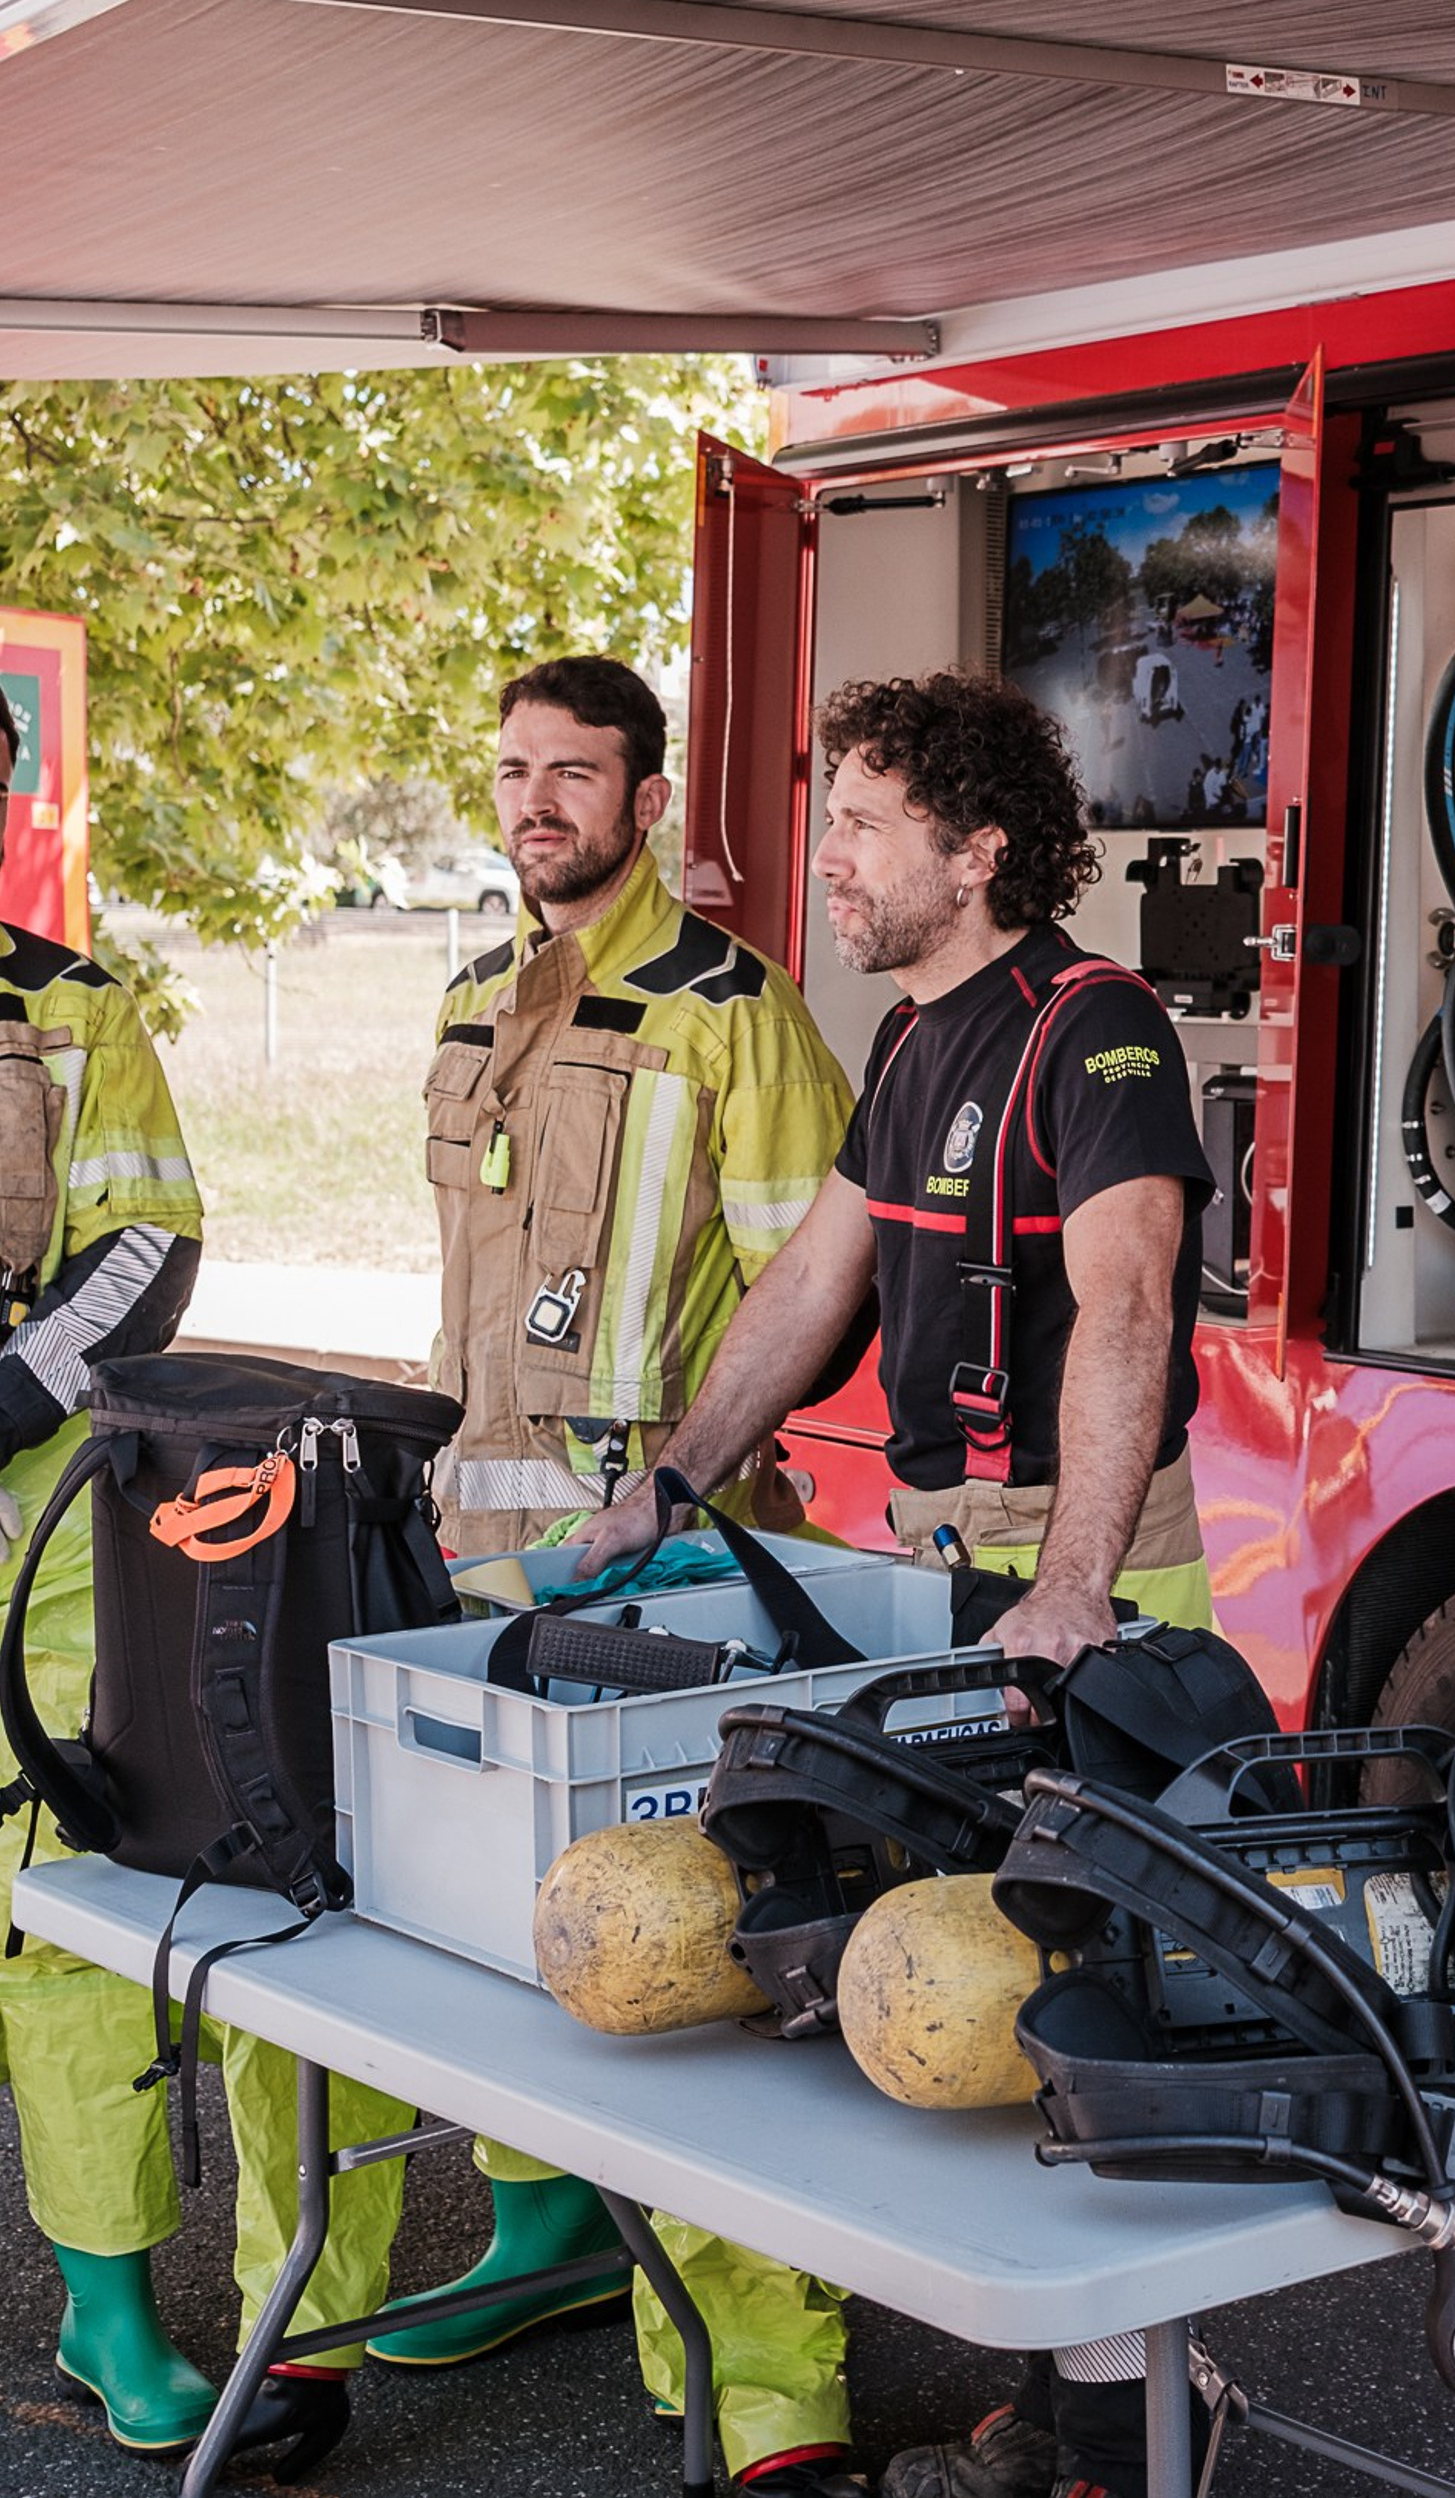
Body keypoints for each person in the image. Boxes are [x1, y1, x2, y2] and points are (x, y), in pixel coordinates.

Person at [567, 668, 1218, 2498]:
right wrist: (674, 1481)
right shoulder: (918, 1038)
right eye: (831, 819)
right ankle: (1086, 2399)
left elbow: (1130, 1303)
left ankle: (1131, 2429)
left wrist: (1078, 1579)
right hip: (949, 1568)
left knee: (1086, 2007)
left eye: (859, 824)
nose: (823, 859)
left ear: (979, 845)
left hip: (1074, 1578)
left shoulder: (1095, 1033)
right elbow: (806, 1288)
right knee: (973, 1994)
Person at [223, 656, 859, 2490]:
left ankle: (766, 2397)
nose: (537, 806)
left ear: (648, 801)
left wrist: (677, 1492)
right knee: (438, 1950)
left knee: (697, 1975)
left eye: (576, 775)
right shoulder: (474, 993)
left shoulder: (735, 1012)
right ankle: (397, 2294)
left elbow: (814, 1306)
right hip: (462, 1564)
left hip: (658, 1578)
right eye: (514, 773)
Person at [0, 690, 211, 2451]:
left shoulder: (69, 1016)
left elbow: (149, 1245)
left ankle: (109, 2313)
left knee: (62, 1944)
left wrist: (9, 1392)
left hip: (32, 1583)